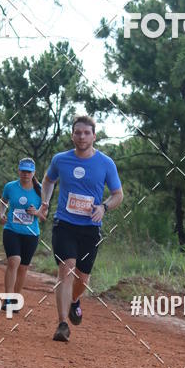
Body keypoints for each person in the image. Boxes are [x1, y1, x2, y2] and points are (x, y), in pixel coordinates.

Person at [38, 115, 123, 342]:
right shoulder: (60, 160)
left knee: (82, 277)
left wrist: (104, 208)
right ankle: (62, 323)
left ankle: (75, 300)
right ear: (72, 135)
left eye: (86, 133)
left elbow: (118, 195)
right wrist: (45, 202)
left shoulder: (106, 163)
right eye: (78, 132)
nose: (82, 136)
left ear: (94, 136)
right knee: (66, 268)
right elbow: (48, 181)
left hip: (90, 228)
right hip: (64, 224)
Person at [0, 158, 45, 313]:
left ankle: (15, 299)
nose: (25, 174)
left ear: (33, 173)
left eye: (29, 172)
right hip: (11, 230)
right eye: (23, 171)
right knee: (14, 261)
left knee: (23, 268)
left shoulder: (41, 190)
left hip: (31, 234)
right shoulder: (10, 187)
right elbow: (4, 201)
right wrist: (2, 213)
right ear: (18, 171)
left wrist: (36, 212)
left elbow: (44, 214)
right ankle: (7, 298)